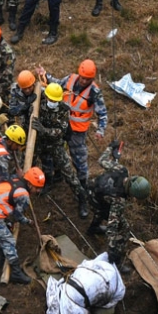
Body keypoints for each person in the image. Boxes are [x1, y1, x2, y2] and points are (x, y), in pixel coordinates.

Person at [44, 58, 109, 214]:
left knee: (80, 162)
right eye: (83, 77)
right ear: (79, 74)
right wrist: (45, 75)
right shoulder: (71, 79)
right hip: (61, 125)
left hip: (77, 132)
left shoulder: (94, 92)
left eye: (88, 79)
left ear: (92, 79)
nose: (84, 80)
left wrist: (101, 129)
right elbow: (57, 83)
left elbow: (102, 113)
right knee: (54, 151)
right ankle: (56, 175)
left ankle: (82, 192)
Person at [0, 167, 45, 285]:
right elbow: (17, 215)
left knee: (1, 226)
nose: (38, 191)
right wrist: (27, 221)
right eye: (37, 188)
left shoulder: (15, 180)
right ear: (29, 184)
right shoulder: (24, 196)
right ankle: (15, 273)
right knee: (9, 241)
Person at [28, 82, 88, 216]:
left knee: (68, 172)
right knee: (37, 164)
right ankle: (44, 183)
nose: (52, 102)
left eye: (55, 100)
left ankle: (81, 197)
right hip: (40, 142)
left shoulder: (63, 109)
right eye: (50, 99)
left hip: (56, 144)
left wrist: (43, 130)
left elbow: (60, 131)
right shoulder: (39, 102)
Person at [87, 141, 151, 267]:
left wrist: (110, 147)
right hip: (96, 200)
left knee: (102, 210)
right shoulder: (118, 201)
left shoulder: (121, 169)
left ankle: (93, 228)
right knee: (124, 228)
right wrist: (112, 249)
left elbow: (102, 160)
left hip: (91, 191)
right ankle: (115, 262)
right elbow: (112, 228)